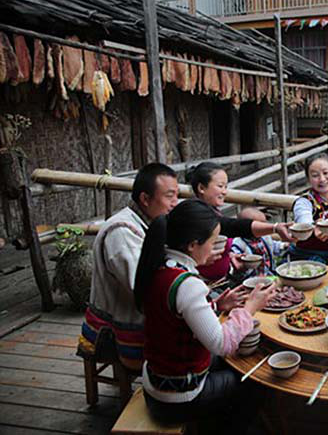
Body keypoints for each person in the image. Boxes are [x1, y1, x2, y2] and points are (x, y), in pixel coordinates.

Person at [133, 199, 276, 428]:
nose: (214, 249)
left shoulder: (160, 265)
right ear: (192, 245)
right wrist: (251, 306)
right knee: (255, 380)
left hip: (156, 381)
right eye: (212, 242)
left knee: (236, 362)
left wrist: (217, 306)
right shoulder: (187, 284)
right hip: (177, 399)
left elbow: (178, 317)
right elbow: (222, 344)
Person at [81, 163, 179, 372]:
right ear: (145, 199)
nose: (175, 203)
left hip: (135, 320)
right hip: (116, 332)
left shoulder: (151, 222)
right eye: (169, 196)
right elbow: (142, 289)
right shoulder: (121, 232)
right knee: (196, 342)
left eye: (177, 196)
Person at [186, 162, 295, 281]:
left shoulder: (213, 212)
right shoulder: (195, 216)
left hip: (219, 280)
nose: (224, 192)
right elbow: (233, 226)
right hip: (201, 281)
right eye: (220, 186)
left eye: (226, 187)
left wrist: (230, 257)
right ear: (201, 188)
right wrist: (275, 228)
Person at [289, 153, 328, 264]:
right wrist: (312, 227)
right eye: (315, 175)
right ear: (308, 178)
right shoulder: (304, 202)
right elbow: (303, 218)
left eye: (325, 173)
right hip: (304, 259)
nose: (322, 179)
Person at [230, 207, 288, 279]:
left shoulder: (264, 237)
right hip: (250, 279)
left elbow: (272, 245)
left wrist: (284, 245)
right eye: (261, 225)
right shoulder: (238, 244)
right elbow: (236, 263)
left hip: (269, 274)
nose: (265, 227)